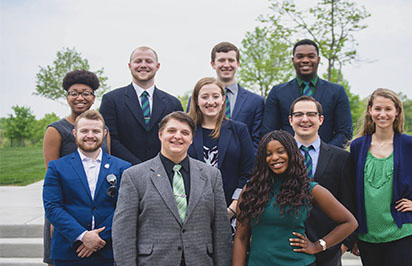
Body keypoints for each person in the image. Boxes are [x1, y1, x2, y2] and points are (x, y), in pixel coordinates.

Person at [112, 111, 232, 266]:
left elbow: (221, 230)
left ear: (191, 139)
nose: (178, 136)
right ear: (160, 134)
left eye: (185, 132)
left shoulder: (212, 176)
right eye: (171, 131)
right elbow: (123, 232)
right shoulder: (134, 176)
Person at [350, 88, 412, 266]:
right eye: (378, 108)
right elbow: (350, 189)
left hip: (401, 230)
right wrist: (353, 234)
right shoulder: (358, 146)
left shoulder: (411, 144)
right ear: (370, 110)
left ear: (397, 112)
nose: (382, 114)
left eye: (388, 109)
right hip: (366, 234)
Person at [233, 130, 357, 266]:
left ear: (292, 153)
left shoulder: (309, 188)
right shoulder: (251, 189)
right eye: (268, 154)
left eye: (280, 151)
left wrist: (318, 246)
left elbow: (349, 222)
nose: (274, 157)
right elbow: (241, 238)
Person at [43, 110, 131, 265]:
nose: (90, 135)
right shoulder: (57, 167)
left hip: (109, 250)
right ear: (75, 133)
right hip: (69, 251)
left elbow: (125, 208)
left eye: (96, 131)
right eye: (84, 131)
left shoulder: (122, 167)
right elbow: (52, 207)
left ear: (104, 134)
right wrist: (82, 236)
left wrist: (98, 238)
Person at [42, 69, 110, 265]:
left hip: (97, 216)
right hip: (66, 213)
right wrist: (65, 227)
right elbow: (52, 176)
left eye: (85, 93)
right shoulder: (56, 130)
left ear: (93, 97)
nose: (80, 97)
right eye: (74, 93)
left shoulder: (103, 130)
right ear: (67, 97)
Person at [289, 96, 356, 266]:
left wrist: (343, 244)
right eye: (298, 115)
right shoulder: (279, 157)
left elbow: (349, 200)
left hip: (328, 249)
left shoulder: (341, 158)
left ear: (321, 119)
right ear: (291, 120)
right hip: (287, 247)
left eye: (311, 114)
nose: (305, 119)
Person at [99, 46, 183, 165]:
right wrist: (138, 167)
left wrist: (158, 165)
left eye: (148, 61)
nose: (143, 65)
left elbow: (178, 138)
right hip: (124, 170)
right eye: (138, 61)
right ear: (129, 66)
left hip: (164, 170)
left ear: (157, 66)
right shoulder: (111, 100)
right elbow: (110, 139)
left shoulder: (173, 103)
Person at [262, 39, 353, 148]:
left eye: (310, 56)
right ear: (293, 60)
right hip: (288, 160)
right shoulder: (277, 92)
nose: (305, 60)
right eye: (300, 56)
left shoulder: (337, 92)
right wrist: (289, 154)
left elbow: (345, 133)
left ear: (318, 59)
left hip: (328, 160)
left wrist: (323, 155)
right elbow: (269, 132)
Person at [187, 77, 255, 219]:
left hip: (232, 212)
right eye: (205, 97)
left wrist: (231, 210)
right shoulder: (186, 132)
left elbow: (249, 174)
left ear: (223, 99)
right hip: (192, 213)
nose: (210, 102)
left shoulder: (239, 130)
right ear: (196, 101)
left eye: (215, 96)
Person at [210, 41, 264, 152]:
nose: (226, 65)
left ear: (238, 63)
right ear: (213, 64)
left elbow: (258, 140)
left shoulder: (255, 101)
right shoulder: (199, 100)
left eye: (231, 60)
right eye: (221, 60)